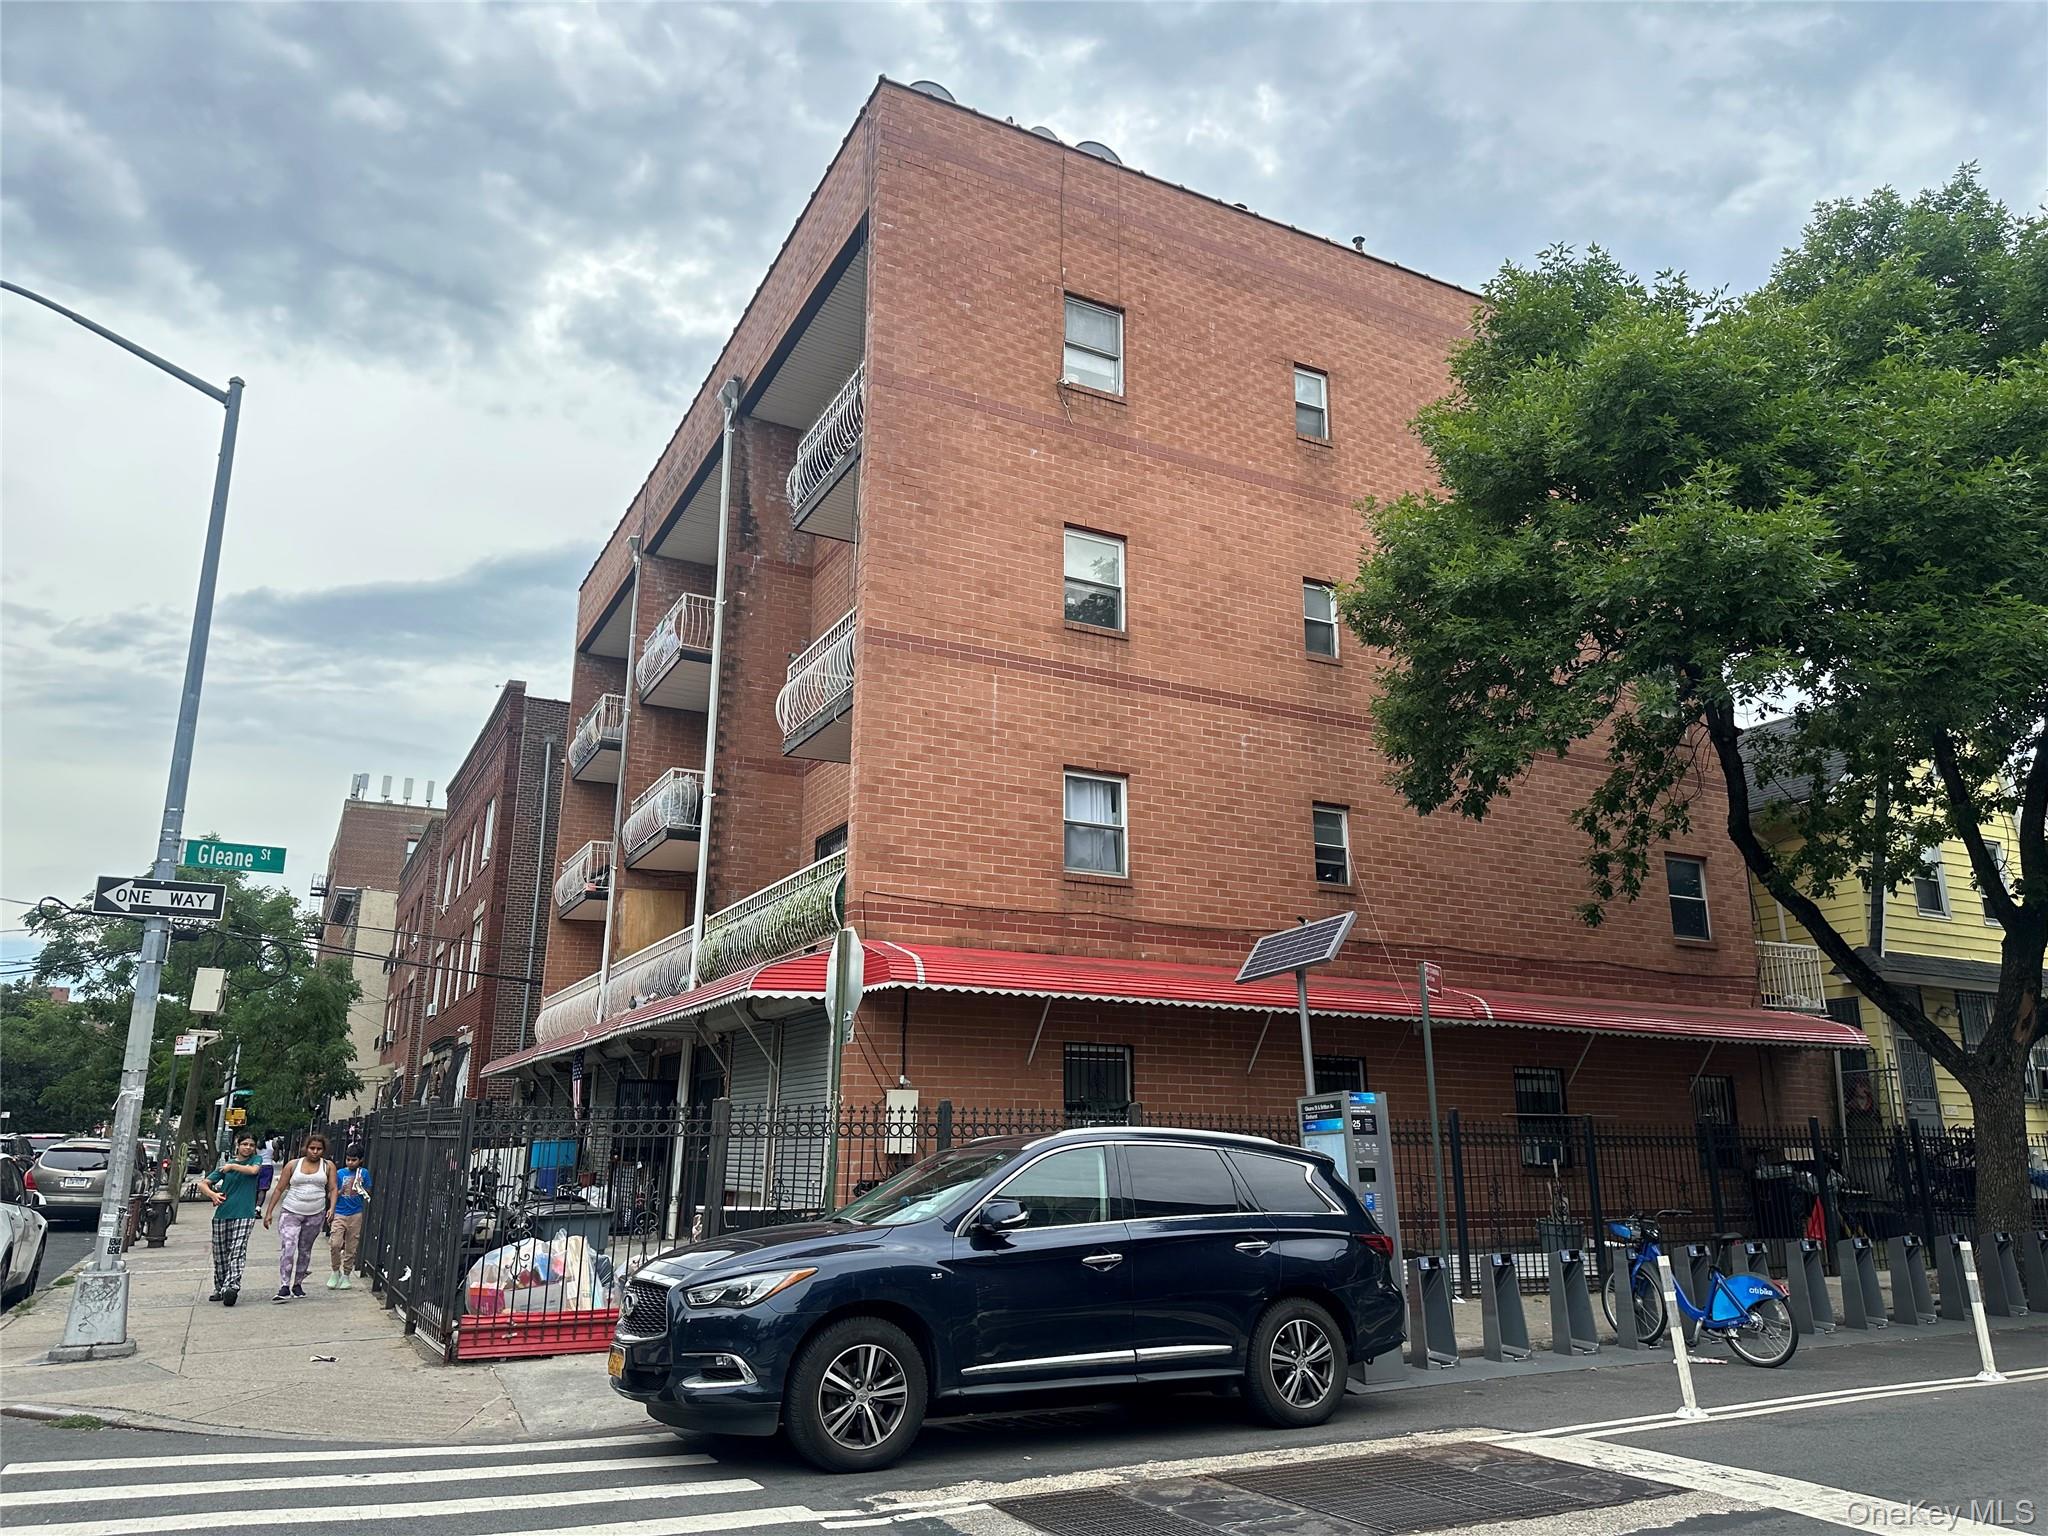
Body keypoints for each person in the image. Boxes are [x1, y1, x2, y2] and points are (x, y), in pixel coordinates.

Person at [263, 1133, 336, 1302]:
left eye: (319, 1149)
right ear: (305, 1148)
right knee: (288, 1247)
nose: (315, 1152)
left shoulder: (328, 1166)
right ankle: (284, 1285)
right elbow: (280, 1188)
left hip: (315, 1212)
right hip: (291, 1211)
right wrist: (269, 1212)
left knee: (305, 1250)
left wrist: (332, 1208)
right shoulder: (293, 1165)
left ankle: (298, 1283)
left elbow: (332, 1189)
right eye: (312, 1148)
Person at [200, 1132, 263, 1307]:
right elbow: (203, 1184)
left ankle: (232, 1286)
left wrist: (233, 1167)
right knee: (220, 1254)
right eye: (245, 1144)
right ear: (238, 1144)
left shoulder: (255, 1161)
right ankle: (220, 1287)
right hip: (223, 1214)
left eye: (251, 1145)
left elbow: (253, 1171)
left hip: (245, 1214)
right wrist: (213, 1195)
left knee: (237, 1250)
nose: (248, 1148)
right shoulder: (225, 1167)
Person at [327, 1147, 372, 1289]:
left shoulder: (363, 1173)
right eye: (348, 1159)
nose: (351, 1163)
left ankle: (346, 1274)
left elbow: (369, 1191)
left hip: (355, 1213)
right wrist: (339, 1193)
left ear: (360, 1160)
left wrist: (360, 1187)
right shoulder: (340, 1173)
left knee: (352, 1246)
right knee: (335, 1243)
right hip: (340, 1212)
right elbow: (330, 1193)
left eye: (354, 1160)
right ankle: (335, 1271)